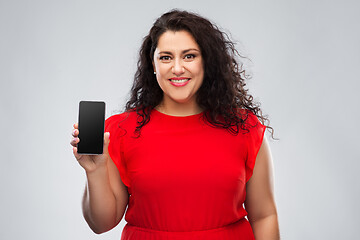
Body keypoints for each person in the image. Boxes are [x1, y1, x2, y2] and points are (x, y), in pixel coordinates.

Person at [70, 9, 280, 240]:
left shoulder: (244, 128)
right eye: (166, 57)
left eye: (189, 56)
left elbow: (264, 216)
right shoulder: (120, 130)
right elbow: (101, 224)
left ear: (207, 62)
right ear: (153, 64)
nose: (177, 68)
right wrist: (95, 169)